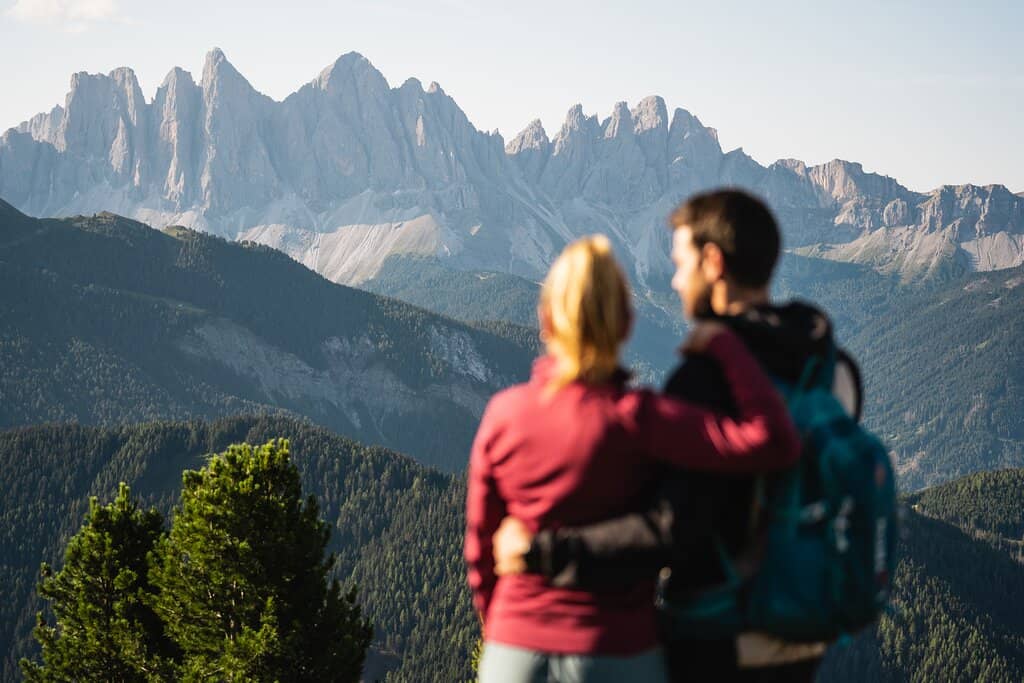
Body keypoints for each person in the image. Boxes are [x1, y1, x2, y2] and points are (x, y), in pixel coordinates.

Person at [492, 190, 863, 682]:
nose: (674, 279)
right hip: (801, 628)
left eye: (681, 262)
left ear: (713, 263)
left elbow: (671, 530)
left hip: (716, 635)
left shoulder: (704, 381)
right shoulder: (832, 366)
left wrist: (548, 551)